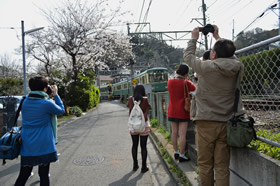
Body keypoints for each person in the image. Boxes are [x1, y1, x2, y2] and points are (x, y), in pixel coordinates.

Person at [184, 25, 245, 186]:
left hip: (205, 122)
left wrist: (193, 39)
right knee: (222, 167)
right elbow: (232, 56)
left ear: (214, 54)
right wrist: (218, 37)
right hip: (226, 123)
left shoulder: (206, 67)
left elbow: (188, 56)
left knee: (205, 164)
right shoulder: (237, 66)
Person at [15, 77, 65, 186]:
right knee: (43, 175)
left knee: (23, 175)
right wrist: (56, 94)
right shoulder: (46, 103)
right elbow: (61, 110)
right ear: (44, 89)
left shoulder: (24, 101)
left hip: (27, 144)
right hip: (44, 145)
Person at [167, 64, 196, 162]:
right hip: (183, 111)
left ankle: (176, 151)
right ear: (186, 73)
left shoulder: (170, 82)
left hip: (172, 111)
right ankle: (182, 154)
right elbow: (195, 90)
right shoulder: (186, 83)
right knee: (182, 134)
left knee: (174, 133)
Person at [126, 85, 151, 173]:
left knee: (134, 145)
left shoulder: (130, 99)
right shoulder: (145, 99)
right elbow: (149, 107)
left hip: (133, 126)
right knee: (143, 146)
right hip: (143, 125)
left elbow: (127, 106)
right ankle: (144, 167)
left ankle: (135, 165)